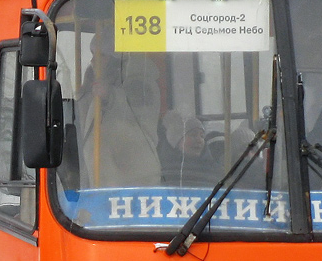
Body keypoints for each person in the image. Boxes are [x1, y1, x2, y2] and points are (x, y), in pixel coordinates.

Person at [75, 14, 163, 188]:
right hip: (103, 176)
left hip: (133, 178)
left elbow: (138, 112)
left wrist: (111, 96)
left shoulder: (140, 83)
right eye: (92, 54)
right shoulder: (92, 86)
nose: (93, 61)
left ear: (117, 60)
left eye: (102, 55)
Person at [159, 110, 219, 187]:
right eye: (193, 135)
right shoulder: (164, 171)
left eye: (202, 136)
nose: (199, 140)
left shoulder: (215, 171)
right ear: (176, 141)